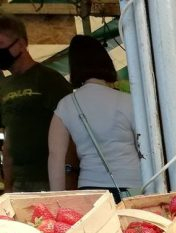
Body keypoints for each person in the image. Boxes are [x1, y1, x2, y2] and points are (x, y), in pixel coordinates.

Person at [47, 36, 141, 201]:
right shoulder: (128, 101)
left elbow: (56, 157)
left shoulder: (66, 105)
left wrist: (57, 199)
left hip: (91, 188)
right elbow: (143, 148)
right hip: (133, 185)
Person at [0, 14, 72, 192]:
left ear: (22, 43)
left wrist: (67, 180)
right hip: (18, 182)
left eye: (0, 44)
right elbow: (8, 139)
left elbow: (72, 132)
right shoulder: (5, 86)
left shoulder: (49, 80)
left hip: (47, 180)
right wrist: (8, 186)